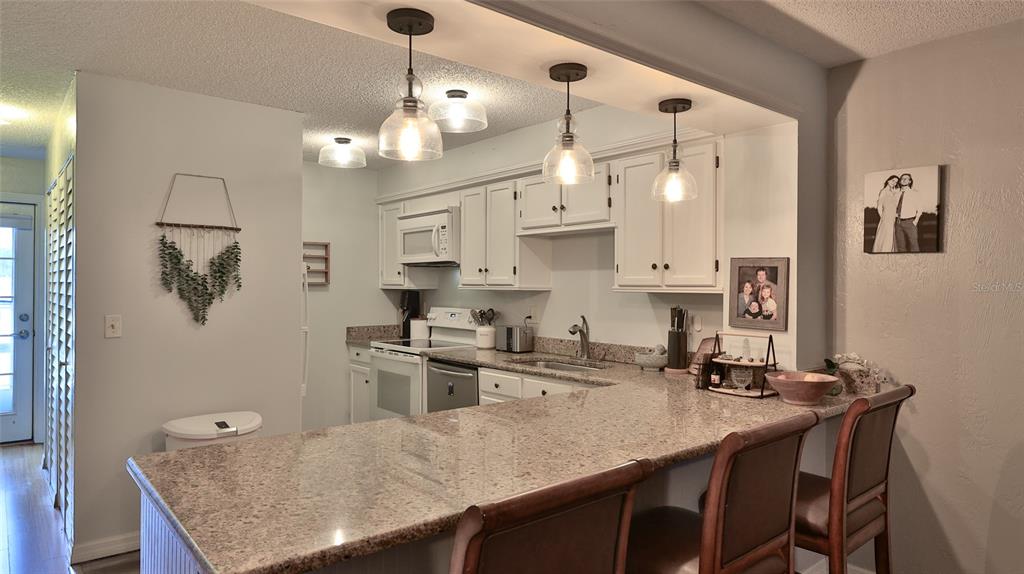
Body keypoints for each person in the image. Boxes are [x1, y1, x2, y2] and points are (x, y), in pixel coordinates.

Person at [872, 174, 901, 253]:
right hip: (886, 218)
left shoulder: (893, 192)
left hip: (893, 218)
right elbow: (879, 206)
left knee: (891, 236)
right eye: (893, 180)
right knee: (886, 236)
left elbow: (894, 206)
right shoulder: (883, 191)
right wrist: (883, 218)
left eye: (896, 182)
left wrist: (895, 215)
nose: (894, 183)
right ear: (888, 181)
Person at [894, 173, 921, 252]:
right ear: (900, 181)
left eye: (906, 178)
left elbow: (920, 209)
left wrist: (915, 222)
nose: (904, 179)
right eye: (902, 178)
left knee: (914, 246)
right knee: (900, 247)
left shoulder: (915, 193)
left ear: (910, 181)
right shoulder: (896, 194)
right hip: (898, 223)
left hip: (910, 222)